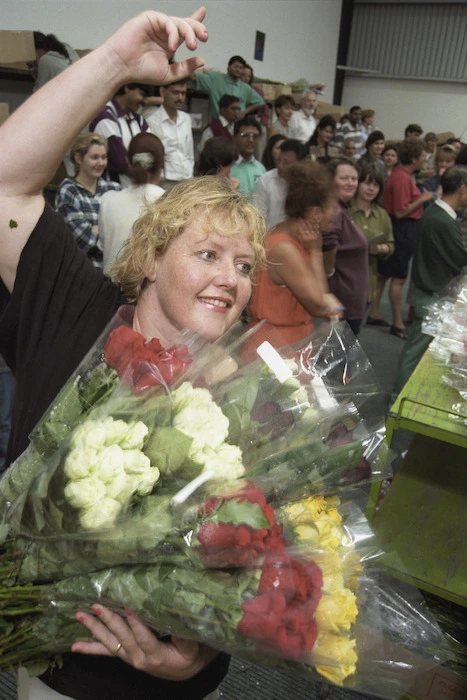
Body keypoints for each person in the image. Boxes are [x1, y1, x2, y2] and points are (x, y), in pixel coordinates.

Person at [0, 8, 267, 700]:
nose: (229, 280)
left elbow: (255, 559)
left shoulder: (248, 394)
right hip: (63, 675)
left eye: (243, 267)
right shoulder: (74, 311)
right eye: (207, 254)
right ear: (150, 257)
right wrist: (117, 59)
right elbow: (3, 185)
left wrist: (201, 658)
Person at [392, 166, 467, 400]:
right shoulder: (442, 221)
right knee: (415, 351)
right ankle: (398, 396)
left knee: (417, 349)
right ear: (463, 189)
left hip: (430, 291)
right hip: (432, 295)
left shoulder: (436, 213)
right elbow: (461, 256)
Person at [249, 160, 342, 344]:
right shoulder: (285, 249)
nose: (337, 212)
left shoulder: (289, 238)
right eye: (333, 206)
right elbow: (321, 305)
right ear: (315, 213)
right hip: (279, 346)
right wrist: (316, 253)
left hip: (286, 341)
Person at [377, 140, 434, 339]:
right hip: (402, 228)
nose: (423, 161)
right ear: (414, 158)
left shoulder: (403, 175)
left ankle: (375, 312)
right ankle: (396, 322)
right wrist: (423, 198)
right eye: (421, 157)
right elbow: (401, 211)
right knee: (399, 277)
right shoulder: (401, 177)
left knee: (384, 273)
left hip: (401, 228)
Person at [100, 132, 165, 274]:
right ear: (162, 165)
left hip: (108, 289)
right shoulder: (168, 201)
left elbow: (103, 246)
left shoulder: (107, 200)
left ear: (128, 161)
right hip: (145, 292)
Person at [55, 133, 121, 268]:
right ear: (78, 158)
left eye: (104, 157)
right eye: (94, 157)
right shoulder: (68, 191)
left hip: (115, 272)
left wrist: (97, 229)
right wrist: (111, 234)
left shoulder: (115, 189)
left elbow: (128, 235)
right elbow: (85, 241)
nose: (101, 163)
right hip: (83, 274)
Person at [322, 158, 370, 336]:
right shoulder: (333, 212)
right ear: (330, 180)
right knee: (338, 359)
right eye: (344, 178)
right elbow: (327, 250)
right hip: (341, 300)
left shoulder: (340, 209)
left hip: (350, 299)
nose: (350, 183)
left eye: (354, 179)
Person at [348, 166, 394, 324]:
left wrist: (379, 248)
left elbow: (390, 244)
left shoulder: (382, 215)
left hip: (368, 280)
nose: (371, 188)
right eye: (367, 183)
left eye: (376, 185)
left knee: (354, 331)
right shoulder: (345, 210)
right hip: (344, 280)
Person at [90, 83, 151, 186]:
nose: (145, 101)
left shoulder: (139, 120)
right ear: (127, 88)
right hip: (112, 193)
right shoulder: (105, 118)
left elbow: (155, 153)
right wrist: (144, 171)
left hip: (137, 194)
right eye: (142, 94)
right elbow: (120, 162)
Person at [146, 79, 195, 188]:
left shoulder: (186, 119)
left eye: (183, 93)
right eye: (175, 92)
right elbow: (154, 159)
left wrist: (190, 175)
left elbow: (189, 153)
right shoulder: (153, 121)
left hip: (187, 179)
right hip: (165, 182)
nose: (180, 98)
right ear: (163, 91)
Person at [192, 55, 264, 119]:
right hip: (218, 123)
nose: (238, 70)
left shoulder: (245, 88)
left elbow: (260, 102)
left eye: (241, 68)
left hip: (237, 126)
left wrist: (244, 112)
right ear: (228, 67)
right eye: (236, 66)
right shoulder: (215, 79)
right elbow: (195, 77)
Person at [253, 139, 305, 229]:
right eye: (278, 160)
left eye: (287, 163)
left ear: (300, 164)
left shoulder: (308, 183)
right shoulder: (265, 180)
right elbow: (257, 217)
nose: (280, 166)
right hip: (270, 236)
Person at [230, 116, 266, 198]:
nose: (251, 140)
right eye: (244, 135)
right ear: (234, 138)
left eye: (255, 136)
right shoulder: (227, 167)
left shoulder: (261, 168)